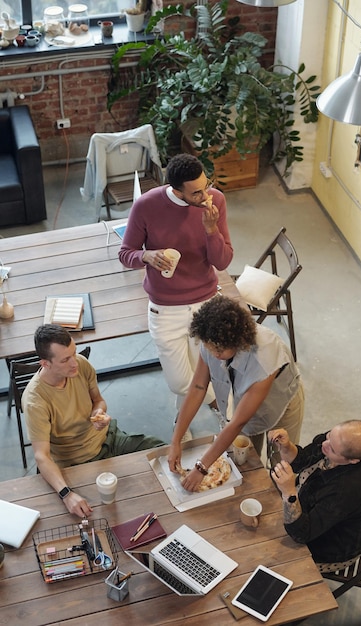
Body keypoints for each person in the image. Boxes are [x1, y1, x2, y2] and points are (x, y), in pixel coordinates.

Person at [118, 153, 233, 421]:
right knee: (180, 382)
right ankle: (218, 403)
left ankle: (182, 423)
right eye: (196, 193)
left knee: (209, 370)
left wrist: (212, 230)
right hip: (165, 309)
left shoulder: (215, 202)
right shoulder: (146, 206)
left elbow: (223, 261)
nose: (205, 196)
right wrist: (145, 256)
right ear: (176, 191)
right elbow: (126, 253)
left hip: (206, 303)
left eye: (206, 185)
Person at [22, 324, 165, 518]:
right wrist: (66, 494)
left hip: (108, 439)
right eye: (65, 359)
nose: (74, 363)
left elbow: (98, 400)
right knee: (99, 514)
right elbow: (42, 456)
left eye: (74, 352)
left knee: (163, 452)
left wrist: (99, 413)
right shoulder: (35, 400)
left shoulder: (81, 365)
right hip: (75, 461)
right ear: (45, 364)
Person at [168, 296, 305, 492]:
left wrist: (201, 467)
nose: (214, 354)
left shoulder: (263, 357)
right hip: (245, 401)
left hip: (281, 405)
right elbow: (198, 387)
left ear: (239, 341)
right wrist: (175, 440)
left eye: (219, 350)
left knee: (281, 468)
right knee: (244, 462)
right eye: (209, 347)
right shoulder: (212, 339)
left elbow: (238, 422)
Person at [268, 420, 361, 571]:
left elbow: (301, 534)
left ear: (353, 461)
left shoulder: (346, 490)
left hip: (330, 548)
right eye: (329, 435)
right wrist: (287, 447)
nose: (324, 445)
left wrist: (289, 493)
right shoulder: (339, 440)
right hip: (314, 511)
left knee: (269, 557)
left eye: (332, 449)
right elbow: (302, 461)